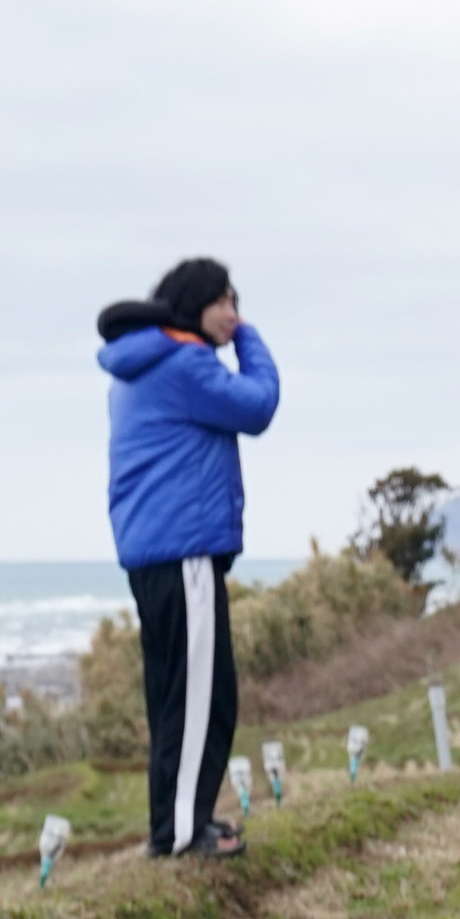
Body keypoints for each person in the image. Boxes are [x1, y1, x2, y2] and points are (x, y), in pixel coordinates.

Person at [94, 259, 282, 858]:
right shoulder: (184, 364)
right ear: (192, 307)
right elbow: (257, 406)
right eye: (224, 302)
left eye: (237, 303)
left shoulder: (139, 367)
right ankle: (180, 835)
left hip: (155, 551)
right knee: (203, 696)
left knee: (181, 693)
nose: (233, 313)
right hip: (184, 550)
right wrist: (249, 337)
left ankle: (181, 822)